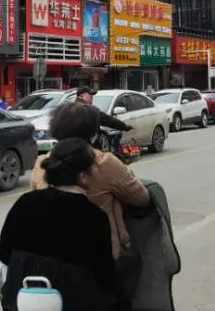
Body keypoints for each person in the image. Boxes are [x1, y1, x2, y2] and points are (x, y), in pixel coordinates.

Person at [0, 137, 117, 311]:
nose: (97, 171)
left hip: (21, 304)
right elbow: (104, 273)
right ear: (82, 176)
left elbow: (4, 253)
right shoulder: (93, 216)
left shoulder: (25, 203)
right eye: (94, 167)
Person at [33, 102, 150, 261]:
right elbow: (141, 198)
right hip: (100, 261)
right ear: (93, 132)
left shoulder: (41, 163)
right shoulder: (104, 162)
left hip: (51, 259)